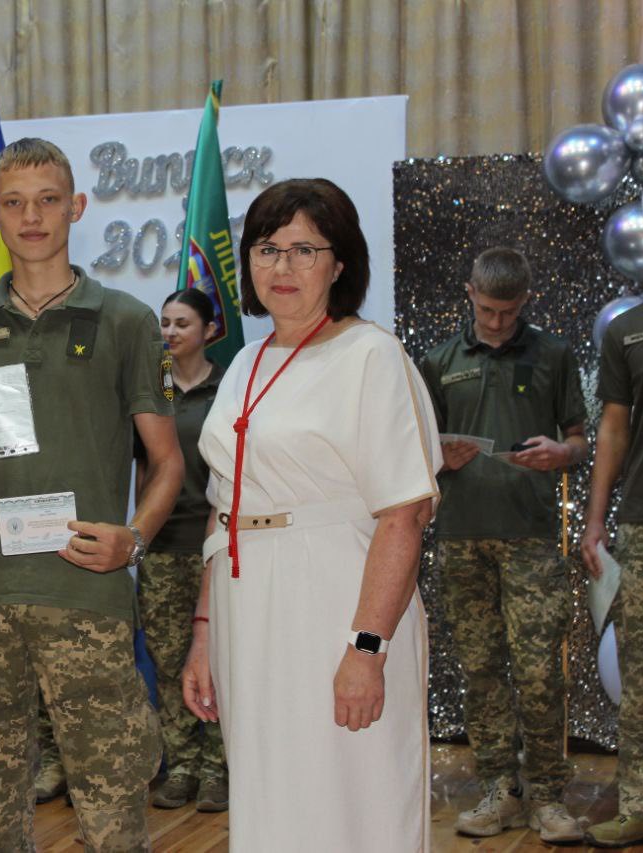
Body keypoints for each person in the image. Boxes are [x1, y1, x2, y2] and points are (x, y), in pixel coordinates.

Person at [0, 137, 183, 851]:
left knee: (113, 802)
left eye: (47, 200)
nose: (32, 217)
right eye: (14, 203)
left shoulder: (126, 319)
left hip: (83, 585)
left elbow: (168, 462)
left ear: (75, 207)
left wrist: (134, 539)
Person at [182, 178, 442, 851]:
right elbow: (224, 512)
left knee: (354, 792)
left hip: (337, 607)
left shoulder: (372, 356)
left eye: (305, 250)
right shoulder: (244, 362)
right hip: (248, 611)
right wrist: (205, 633)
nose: (283, 267)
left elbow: (404, 517)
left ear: (340, 263)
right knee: (271, 794)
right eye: (267, 248)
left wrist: (367, 649)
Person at [419, 247, 586, 843]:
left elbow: (580, 439)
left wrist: (562, 453)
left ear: (525, 302)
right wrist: (439, 455)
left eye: (508, 312)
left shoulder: (554, 354)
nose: (495, 322)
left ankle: (548, 796)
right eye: (487, 310)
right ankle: (498, 789)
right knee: (481, 669)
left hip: (531, 538)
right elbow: (416, 449)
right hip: (461, 538)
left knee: (540, 673)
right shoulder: (438, 360)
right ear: (469, 293)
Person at [134, 288, 228, 812]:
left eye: (182, 323)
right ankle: (184, 765)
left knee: (220, 658)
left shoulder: (229, 388)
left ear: (209, 331)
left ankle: (218, 768)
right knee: (169, 660)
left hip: (217, 546)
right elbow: (144, 471)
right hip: (164, 546)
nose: (170, 332)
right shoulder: (153, 390)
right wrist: (140, 536)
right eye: (164, 323)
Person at [582, 300, 643, 847]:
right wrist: (596, 518)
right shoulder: (626, 331)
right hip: (641, 521)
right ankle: (636, 806)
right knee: (640, 673)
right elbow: (614, 428)